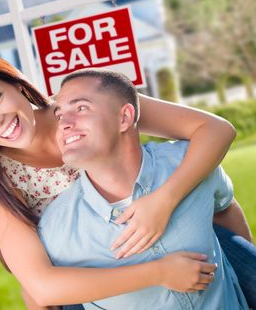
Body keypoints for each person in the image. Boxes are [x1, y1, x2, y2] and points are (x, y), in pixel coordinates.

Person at [0, 52, 254, 308]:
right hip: (101, 277)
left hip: (178, 235)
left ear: (17, 86)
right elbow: (41, 286)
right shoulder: (2, 180)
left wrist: (165, 199)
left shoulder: (84, 105)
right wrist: (158, 273)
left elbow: (215, 130)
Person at [38, 69, 248, 309]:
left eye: (81, 108)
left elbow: (225, 208)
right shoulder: (56, 230)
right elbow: (41, 295)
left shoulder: (189, 162)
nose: (64, 123)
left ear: (124, 118)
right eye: (59, 115)